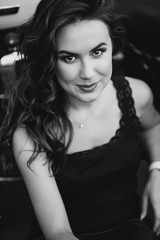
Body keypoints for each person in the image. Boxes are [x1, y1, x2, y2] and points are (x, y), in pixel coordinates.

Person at [0, 0, 160, 239]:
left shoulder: (137, 95)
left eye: (97, 52)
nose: (87, 73)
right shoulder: (29, 135)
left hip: (133, 226)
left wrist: (157, 170)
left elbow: (154, 126)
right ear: (50, 60)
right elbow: (57, 230)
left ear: (112, 47)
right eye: (69, 58)